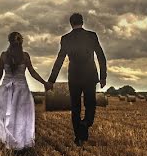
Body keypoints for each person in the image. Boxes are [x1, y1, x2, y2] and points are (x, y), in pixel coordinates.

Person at [46, 13, 107, 145]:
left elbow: (60, 60)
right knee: (90, 105)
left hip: (74, 76)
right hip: (90, 76)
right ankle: (85, 124)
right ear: (82, 22)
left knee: (75, 107)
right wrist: (103, 77)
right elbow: (101, 57)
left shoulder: (66, 38)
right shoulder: (91, 36)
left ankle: (78, 137)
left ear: (71, 23)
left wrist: (51, 80)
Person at [0, 31, 48, 151]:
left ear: (9, 42)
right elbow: (32, 73)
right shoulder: (25, 56)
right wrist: (45, 83)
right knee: (21, 115)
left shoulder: (3, 56)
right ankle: (19, 142)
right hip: (21, 88)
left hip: (6, 87)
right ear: (21, 42)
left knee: (7, 114)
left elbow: (0, 72)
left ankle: (9, 140)